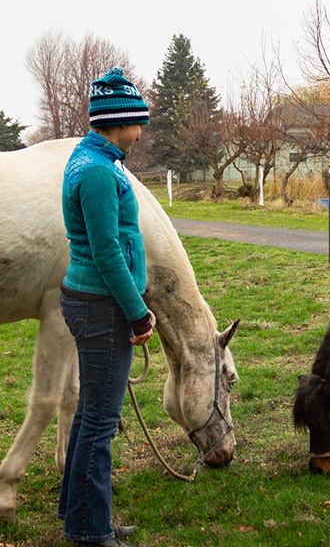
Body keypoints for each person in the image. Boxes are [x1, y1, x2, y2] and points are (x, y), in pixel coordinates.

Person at [58, 67, 154, 546]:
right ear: (120, 121)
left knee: (89, 415)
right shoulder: (97, 172)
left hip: (92, 301)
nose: (141, 131)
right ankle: (91, 532)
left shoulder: (93, 158)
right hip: (101, 307)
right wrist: (137, 311)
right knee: (99, 422)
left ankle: (78, 515)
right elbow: (107, 251)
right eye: (139, 122)